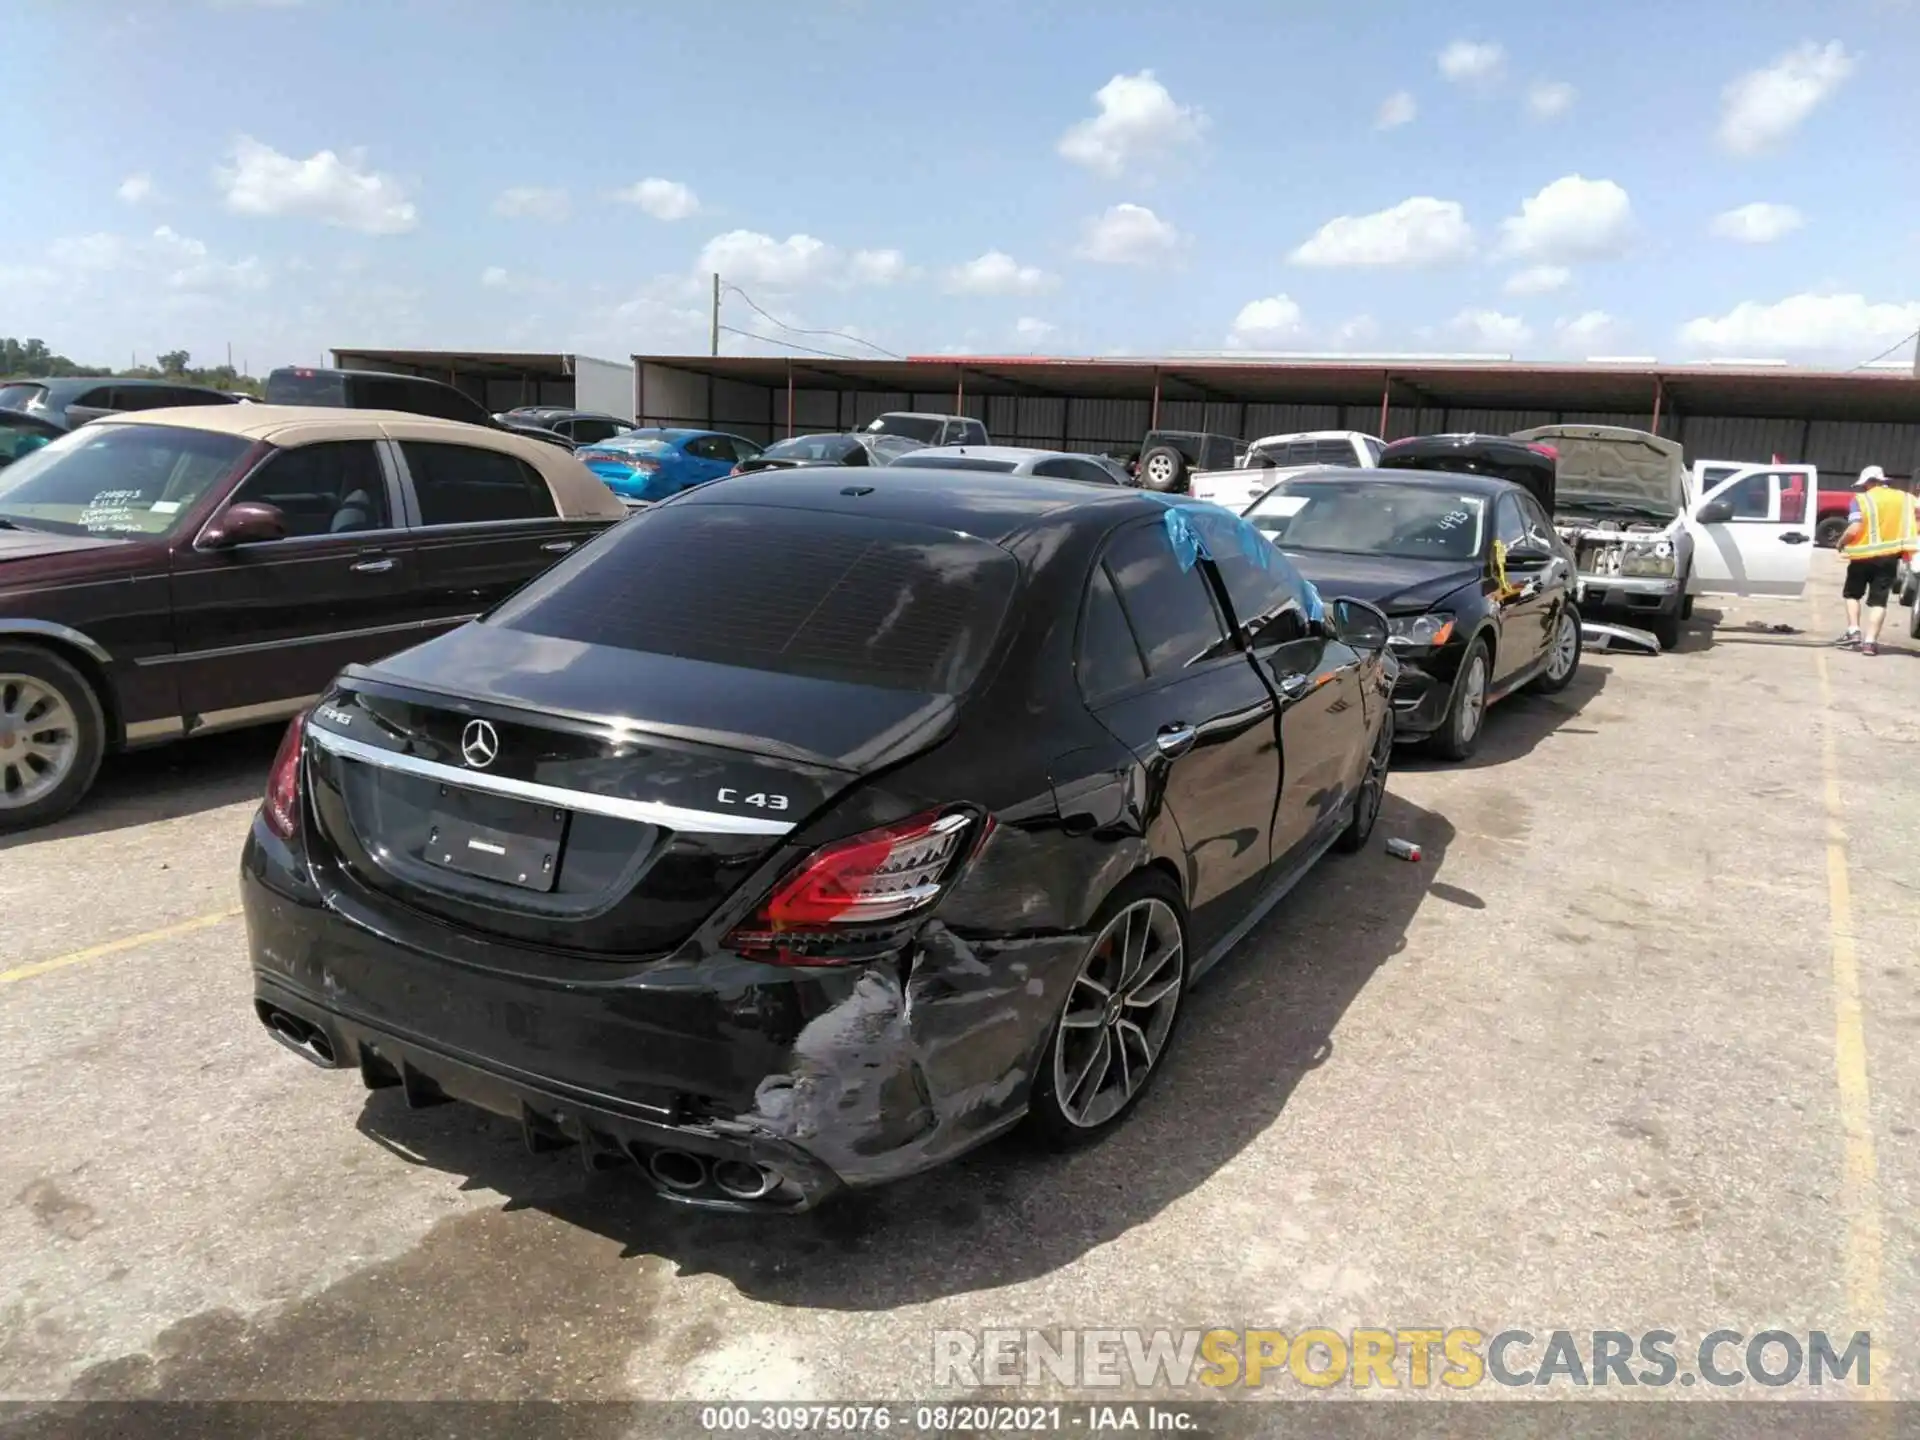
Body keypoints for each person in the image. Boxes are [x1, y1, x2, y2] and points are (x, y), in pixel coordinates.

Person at [1834, 465, 1918, 655]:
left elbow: (1854, 528)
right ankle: (1870, 643)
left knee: (1852, 595)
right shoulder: (1906, 499)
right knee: (1879, 602)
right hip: (1890, 557)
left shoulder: (1861, 500)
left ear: (1869, 482)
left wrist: (1840, 542)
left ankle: (1853, 632)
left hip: (1862, 557)